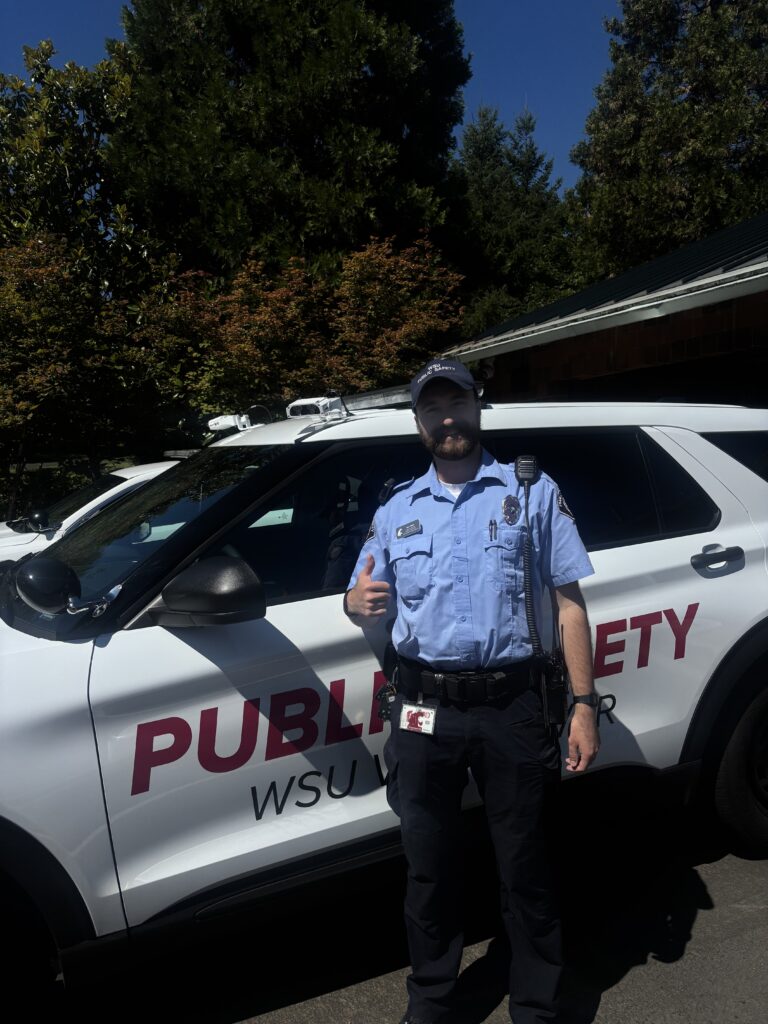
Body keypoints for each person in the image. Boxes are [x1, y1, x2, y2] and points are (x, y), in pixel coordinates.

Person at [344, 358, 600, 1024]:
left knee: (525, 868)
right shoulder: (396, 508)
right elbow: (364, 597)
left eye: (457, 403)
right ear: (419, 421)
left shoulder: (533, 493)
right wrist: (353, 600)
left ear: (477, 407)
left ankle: (538, 1003)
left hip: (512, 707)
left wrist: (581, 705)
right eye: (433, 408)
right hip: (422, 709)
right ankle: (431, 999)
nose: (447, 418)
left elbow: (568, 604)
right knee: (428, 871)